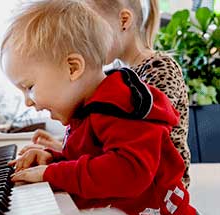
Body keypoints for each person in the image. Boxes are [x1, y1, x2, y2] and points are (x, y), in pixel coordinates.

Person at [1, 1, 202, 215]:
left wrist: (52, 173)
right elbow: (94, 155)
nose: (28, 102)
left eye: (29, 87)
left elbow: (129, 172)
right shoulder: (87, 108)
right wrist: (54, 159)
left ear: (73, 68)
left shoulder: (118, 105)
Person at [24, 0, 191, 189]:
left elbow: (140, 144)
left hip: (160, 189)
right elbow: (114, 138)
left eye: (91, 26)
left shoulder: (159, 68)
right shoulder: (117, 73)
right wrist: (64, 149)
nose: (83, 39)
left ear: (124, 21)